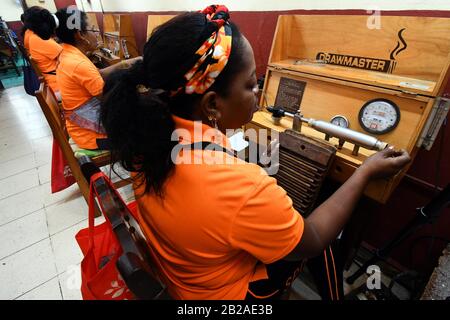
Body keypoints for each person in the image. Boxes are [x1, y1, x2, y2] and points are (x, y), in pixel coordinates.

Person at [100, 5, 411, 300]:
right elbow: (313, 237)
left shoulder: (147, 135)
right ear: (211, 105)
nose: (258, 94)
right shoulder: (240, 184)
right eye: (250, 85)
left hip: (184, 273)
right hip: (227, 296)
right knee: (324, 239)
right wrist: (364, 172)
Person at [54, 7, 141, 150]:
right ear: (80, 35)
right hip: (92, 136)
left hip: (78, 127)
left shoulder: (68, 53)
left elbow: (97, 74)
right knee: (149, 127)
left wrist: (126, 63)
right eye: (92, 30)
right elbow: (109, 99)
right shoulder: (78, 64)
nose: (96, 34)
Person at [22, 6, 62, 97]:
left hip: (53, 80)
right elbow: (66, 55)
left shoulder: (30, 33)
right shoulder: (38, 39)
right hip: (58, 86)